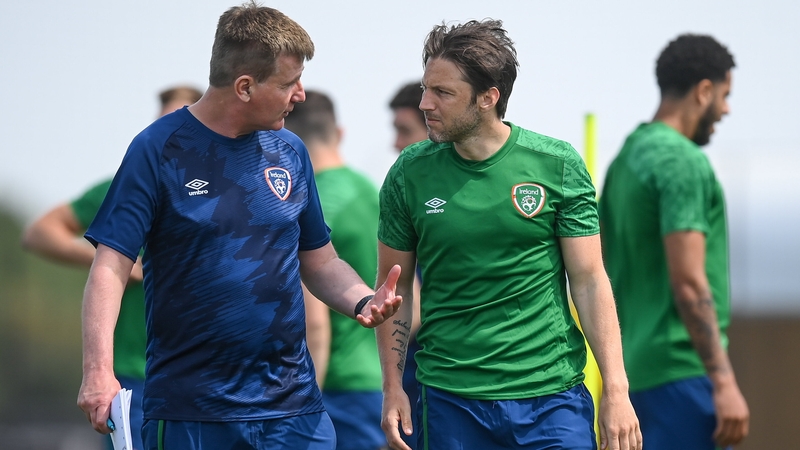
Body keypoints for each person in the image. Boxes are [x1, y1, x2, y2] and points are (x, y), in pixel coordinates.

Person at [76, 4, 402, 450]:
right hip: (193, 411)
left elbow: (320, 261)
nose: (301, 94)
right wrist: (98, 371)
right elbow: (109, 267)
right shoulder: (157, 148)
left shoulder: (290, 151)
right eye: (289, 83)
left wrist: (364, 299)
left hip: (293, 411)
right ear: (244, 87)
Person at [376, 19, 641, 450]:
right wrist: (392, 387)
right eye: (426, 88)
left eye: (442, 93)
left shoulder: (557, 165)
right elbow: (394, 286)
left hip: (552, 398)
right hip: (450, 399)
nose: (425, 103)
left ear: (487, 98)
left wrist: (616, 389)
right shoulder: (409, 174)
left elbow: (590, 281)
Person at [22, 84, 202, 450]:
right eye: (162, 120)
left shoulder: (224, 188)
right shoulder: (128, 184)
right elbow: (40, 232)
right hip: (134, 377)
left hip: (203, 377)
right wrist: (116, 260)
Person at [599, 34, 749, 450]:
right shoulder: (682, 161)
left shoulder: (625, 159)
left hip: (634, 375)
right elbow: (689, 281)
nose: (726, 109)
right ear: (704, 91)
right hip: (681, 374)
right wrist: (723, 381)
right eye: (724, 95)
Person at [283, 90, 386, 450]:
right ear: (337, 133)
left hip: (333, 386)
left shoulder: (309, 203)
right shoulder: (371, 191)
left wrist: (304, 408)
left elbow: (314, 323)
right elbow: (411, 301)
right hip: (376, 381)